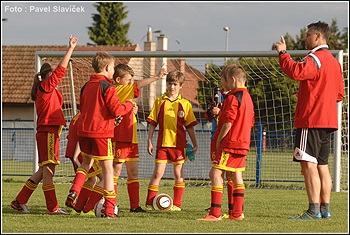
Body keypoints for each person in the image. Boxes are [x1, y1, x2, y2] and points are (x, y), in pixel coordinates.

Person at [274, 21, 344, 220]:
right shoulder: (334, 62)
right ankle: (325, 210)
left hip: (311, 120)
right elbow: (339, 94)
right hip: (328, 120)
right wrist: (307, 93)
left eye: (308, 34)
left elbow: (296, 71)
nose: (305, 38)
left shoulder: (315, 58)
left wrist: (283, 54)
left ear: (318, 36)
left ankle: (313, 210)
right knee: (322, 165)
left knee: (308, 164)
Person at [10, 35, 78, 214]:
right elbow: (60, 71)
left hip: (49, 133)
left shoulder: (49, 90)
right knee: (49, 171)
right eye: (53, 73)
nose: (57, 76)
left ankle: (19, 200)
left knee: (42, 171)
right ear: (48, 76)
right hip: (47, 132)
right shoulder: (46, 87)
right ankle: (52, 208)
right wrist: (70, 49)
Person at [65, 51, 134, 219]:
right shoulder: (107, 87)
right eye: (112, 68)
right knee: (108, 171)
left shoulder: (86, 86)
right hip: (101, 134)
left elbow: (92, 110)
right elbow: (117, 109)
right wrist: (129, 106)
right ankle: (109, 211)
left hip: (84, 132)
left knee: (86, 163)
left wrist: (111, 119)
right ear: (108, 67)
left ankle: (75, 192)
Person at [198, 64, 255, 221]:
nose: (224, 86)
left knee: (216, 173)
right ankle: (237, 213)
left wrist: (220, 140)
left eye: (224, 82)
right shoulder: (249, 99)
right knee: (237, 176)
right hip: (243, 144)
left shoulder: (232, 97)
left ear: (233, 79)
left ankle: (214, 214)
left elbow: (228, 122)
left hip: (230, 143)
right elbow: (251, 122)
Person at [112, 63, 168, 213]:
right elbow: (139, 85)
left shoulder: (126, 94)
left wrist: (133, 112)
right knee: (115, 173)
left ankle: (134, 206)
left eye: (131, 80)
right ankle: (111, 204)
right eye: (128, 80)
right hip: (120, 138)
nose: (130, 83)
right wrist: (156, 77)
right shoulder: (118, 89)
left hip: (132, 139)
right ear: (118, 80)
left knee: (133, 173)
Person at [145, 70, 198, 211]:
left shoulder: (185, 104)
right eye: (169, 84)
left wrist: (195, 143)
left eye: (175, 84)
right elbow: (152, 123)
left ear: (180, 86)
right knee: (157, 173)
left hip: (179, 146)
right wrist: (149, 140)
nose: (172, 87)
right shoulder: (159, 101)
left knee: (178, 174)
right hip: (162, 145)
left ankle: (177, 204)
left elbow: (190, 126)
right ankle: (150, 203)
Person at [204, 86, 235, 218]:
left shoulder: (236, 96)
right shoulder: (216, 96)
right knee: (217, 173)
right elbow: (207, 115)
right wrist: (212, 111)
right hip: (215, 139)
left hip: (230, 139)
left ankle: (232, 208)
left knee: (231, 174)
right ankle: (217, 205)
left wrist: (221, 110)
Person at [64, 111, 102, 216]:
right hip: (82, 151)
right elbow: (83, 135)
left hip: (71, 151)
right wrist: (76, 156)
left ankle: (77, 205)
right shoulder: (88, 115)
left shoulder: (76, 116)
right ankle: (90, 207)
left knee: (92, 179)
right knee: (105, 179)